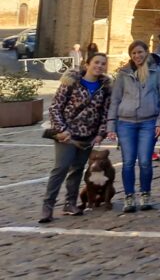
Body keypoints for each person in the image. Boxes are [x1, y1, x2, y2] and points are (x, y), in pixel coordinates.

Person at [39, 52, 111, 223]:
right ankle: (47, 206)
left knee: (77, 169)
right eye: (96, 62)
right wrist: (62, 130)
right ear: (87, 64)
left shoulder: (105, 88)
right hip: (67, 134)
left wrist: (101, 134)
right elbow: (55, 107)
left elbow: (105, 113)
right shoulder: (71, 83)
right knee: (61, 168)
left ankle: (70, 203)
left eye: (103, 64)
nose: (99, 66)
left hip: (88, 136)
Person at [106, 41, 160, 213]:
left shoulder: (156, 72)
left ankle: (146, 193)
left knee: (145, 162)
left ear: (146, 52)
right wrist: (111, 125)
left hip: (149, 121)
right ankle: (129, 196)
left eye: (140, 52)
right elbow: (115, 99)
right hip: (126, 122)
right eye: (133, 53)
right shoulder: (123, 74)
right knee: (128, 162)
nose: (137, 56)